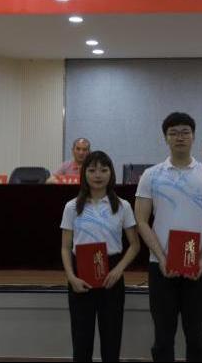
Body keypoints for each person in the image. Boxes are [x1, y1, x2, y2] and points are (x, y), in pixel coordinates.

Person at [135, 112, 202, 362]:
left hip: (198, 267)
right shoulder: (151, 175)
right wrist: (161, 258)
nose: (180, 137)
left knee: (196, 337)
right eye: (173, 133)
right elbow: (141, 220)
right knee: (163, 338)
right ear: (165, 138)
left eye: (185, 132)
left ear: (193, 136)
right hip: (160, 266)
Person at [61, 151, 140, 362]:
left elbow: (134, 245)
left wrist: (118, 269)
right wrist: (71, 277)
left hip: (112, 274)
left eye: (103, 170)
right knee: (81, 341)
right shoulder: (71, 207)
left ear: (111, 173)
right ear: (84, 173)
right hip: (81, 275)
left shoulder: (123, 206)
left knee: (111, 340)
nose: (98, 175)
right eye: (92, 170)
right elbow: (65, 247)